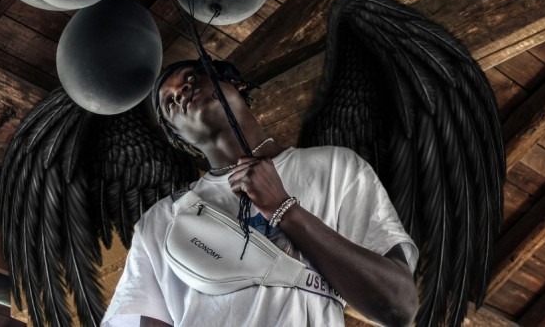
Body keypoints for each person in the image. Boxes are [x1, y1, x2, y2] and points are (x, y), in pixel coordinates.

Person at [101, 60, 420, 326]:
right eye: (170, 101)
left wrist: (284, 208)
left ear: (234, 84)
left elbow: (399, 305)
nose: (182, 91)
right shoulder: (161, 221)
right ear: (180, 139)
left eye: (192, 77)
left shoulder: (335, 166)